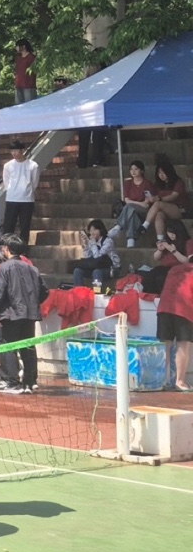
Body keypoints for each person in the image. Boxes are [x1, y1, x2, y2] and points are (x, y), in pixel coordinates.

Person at [0, 236, 47, 394]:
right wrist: (33, 303)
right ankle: (30, 381)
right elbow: (45, 291)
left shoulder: (4, 268)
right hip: (30, 314)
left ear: (6, 249)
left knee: (7, 345)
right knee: (28, 346)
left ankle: (11, 381)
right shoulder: (32, 268)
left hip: (11, 314)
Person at [157, 254, 193, 391]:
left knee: (165, 345)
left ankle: (163, 380)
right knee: (183, 345)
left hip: (164, 307)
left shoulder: (174, 269)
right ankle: (180, 381)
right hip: (184, 309)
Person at [1, 140, 39, 244]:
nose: (13, 153)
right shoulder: (8, 165)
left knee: (25, 226)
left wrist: (27, 191)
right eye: (12, 151)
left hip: (27, 199)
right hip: (11, 198)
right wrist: (11, 190)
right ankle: (6, 246)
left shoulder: (33, 165)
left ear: (22, 150)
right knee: (9, 225)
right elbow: (6, 181)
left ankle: (23, 248)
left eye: (16, 150)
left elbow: (34, 182)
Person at [111, 161, 155, 248]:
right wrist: (140, 203)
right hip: (133, 209)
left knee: (129, 207)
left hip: (144, 211)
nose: (133, 171)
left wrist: (138, 204)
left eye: (136, 169)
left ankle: (118, 226)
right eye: (131, 169)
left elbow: (147, 203)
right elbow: (127, 200)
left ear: (142, 171)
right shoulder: (128, 183)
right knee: (131, 213)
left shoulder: (147, 183)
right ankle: (130, 240)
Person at [143, 156, 187, 241]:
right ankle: (160, 240)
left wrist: (160, 199)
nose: (161, 175)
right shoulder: (158, 184)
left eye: (163, 172)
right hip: (164, 210)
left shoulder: (178, 182)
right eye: (159, 173)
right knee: (159, 215)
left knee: (158, 204)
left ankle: (145, 225)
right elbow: (153, 195)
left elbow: (173, 196)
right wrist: (150, 199)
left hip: (180, 209)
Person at [72, 219, 120, 290]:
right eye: (90, 230)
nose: (92, 232)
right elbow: (88, 257)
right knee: (77, 271)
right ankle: (79, 292)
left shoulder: (108, 242)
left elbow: (98, 257)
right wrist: (86, 245)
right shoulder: (92, 242)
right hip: (97, 267)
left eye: (95, 230)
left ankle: (96, 293)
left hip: (111, 269)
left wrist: (93, 243)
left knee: (96, 272)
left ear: (101, 230)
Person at [13, 39, 37, 104]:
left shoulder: (32, 57)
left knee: (30, 105)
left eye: (18, 46)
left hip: (29, 86)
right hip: (18, 85)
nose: (16, 48)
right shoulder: (18, 58)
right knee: (18, 105)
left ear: (23, 46)